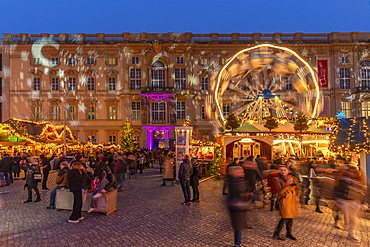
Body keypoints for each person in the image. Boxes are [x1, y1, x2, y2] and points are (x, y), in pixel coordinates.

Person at [334, 166, 366, 243]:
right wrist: (336, 200)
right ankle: (351, 233)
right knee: (352, 218)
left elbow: (364, 193)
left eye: (354, 172)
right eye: (350, 171)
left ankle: (351, 233)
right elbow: (337, 190)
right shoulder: (343, 180)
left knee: (354, 220)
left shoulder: (359, 182)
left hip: (354, 202)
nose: (351, 174)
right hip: (344, 201)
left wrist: (364, 203)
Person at [226, 158, 252, 247]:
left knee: (238, 226)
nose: (243, 173)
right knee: (238, 227)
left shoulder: (237, 181)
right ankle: (237, 243)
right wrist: (248, 195)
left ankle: (238, 242)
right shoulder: (237, 182)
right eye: (241, 172)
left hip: (238, 206)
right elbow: (239, 194)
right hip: (238, 206)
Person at [272, 165, 301, 241]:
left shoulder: (294, 178)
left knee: (291, 217)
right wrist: (287, 185)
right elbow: (280, 191)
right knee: (285, 217)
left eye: (284, 170)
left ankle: (289, 233)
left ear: (288, 171)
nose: (283, 171)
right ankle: (276, 234)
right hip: (284, 200)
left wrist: (297, 195)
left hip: (292, 199)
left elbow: (298, 188)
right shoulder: (277, 179)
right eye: (281, 170)